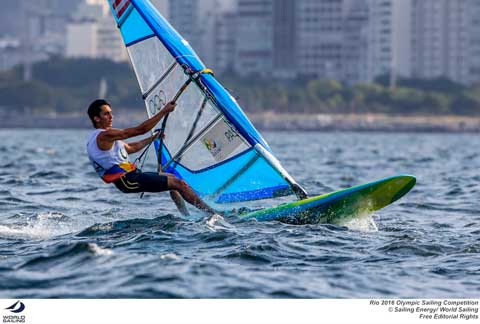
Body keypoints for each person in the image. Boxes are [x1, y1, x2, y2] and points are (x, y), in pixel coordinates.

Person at [86, 99, 216, 215]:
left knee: (172, 179)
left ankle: (186, 216)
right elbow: (140, 130)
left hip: (130, 178)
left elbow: (132, 148)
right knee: (179, 184)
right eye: (106, 114)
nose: (111, 116)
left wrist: (153, 138)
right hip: (127, 180)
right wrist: (164, 111)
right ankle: (212, 213)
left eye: (111, 113)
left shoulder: (101, 138)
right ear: (96, 118)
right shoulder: (104, 136)